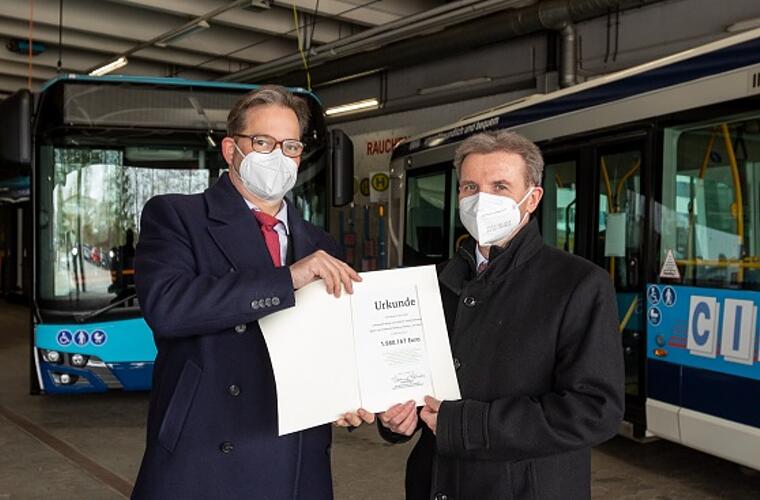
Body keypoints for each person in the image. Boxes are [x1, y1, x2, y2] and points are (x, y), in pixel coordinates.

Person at [131, 85, 361, 499]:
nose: (278, 156)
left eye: (290, 146)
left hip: (298, 460)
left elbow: (330, 344)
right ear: (230, 149)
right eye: (262, 142)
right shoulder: (177, 216)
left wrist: (349, 394)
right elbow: (168, 307)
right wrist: (286, 279)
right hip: (206, 457)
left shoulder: (320, 242)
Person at [377, 131, 624, 500]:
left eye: (500, 187)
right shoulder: (433, 282)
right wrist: (397, 418)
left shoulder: (579, 284)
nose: (482, 200)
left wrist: (465, 425)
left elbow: (594, 410)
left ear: (532, 198)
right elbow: (411, 382)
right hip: (434, 485)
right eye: (470, 187)